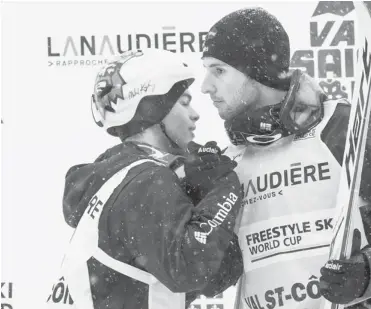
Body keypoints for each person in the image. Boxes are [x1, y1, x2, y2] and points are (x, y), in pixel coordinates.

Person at [200, 7, 371, 309]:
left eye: (218, 70)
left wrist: (369, 271)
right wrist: (197, 213)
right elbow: (217, 275)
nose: (205, 86)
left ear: (257, 70)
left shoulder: (342, 127)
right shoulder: (233, 161)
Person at [46, 48, 243, 309]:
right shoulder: (145, 180)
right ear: (152, 109)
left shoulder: (120, 177)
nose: (195, 114)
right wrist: (223, 185)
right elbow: (189, 268)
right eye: (184, 102)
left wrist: (201, 200)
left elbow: (211, 279)